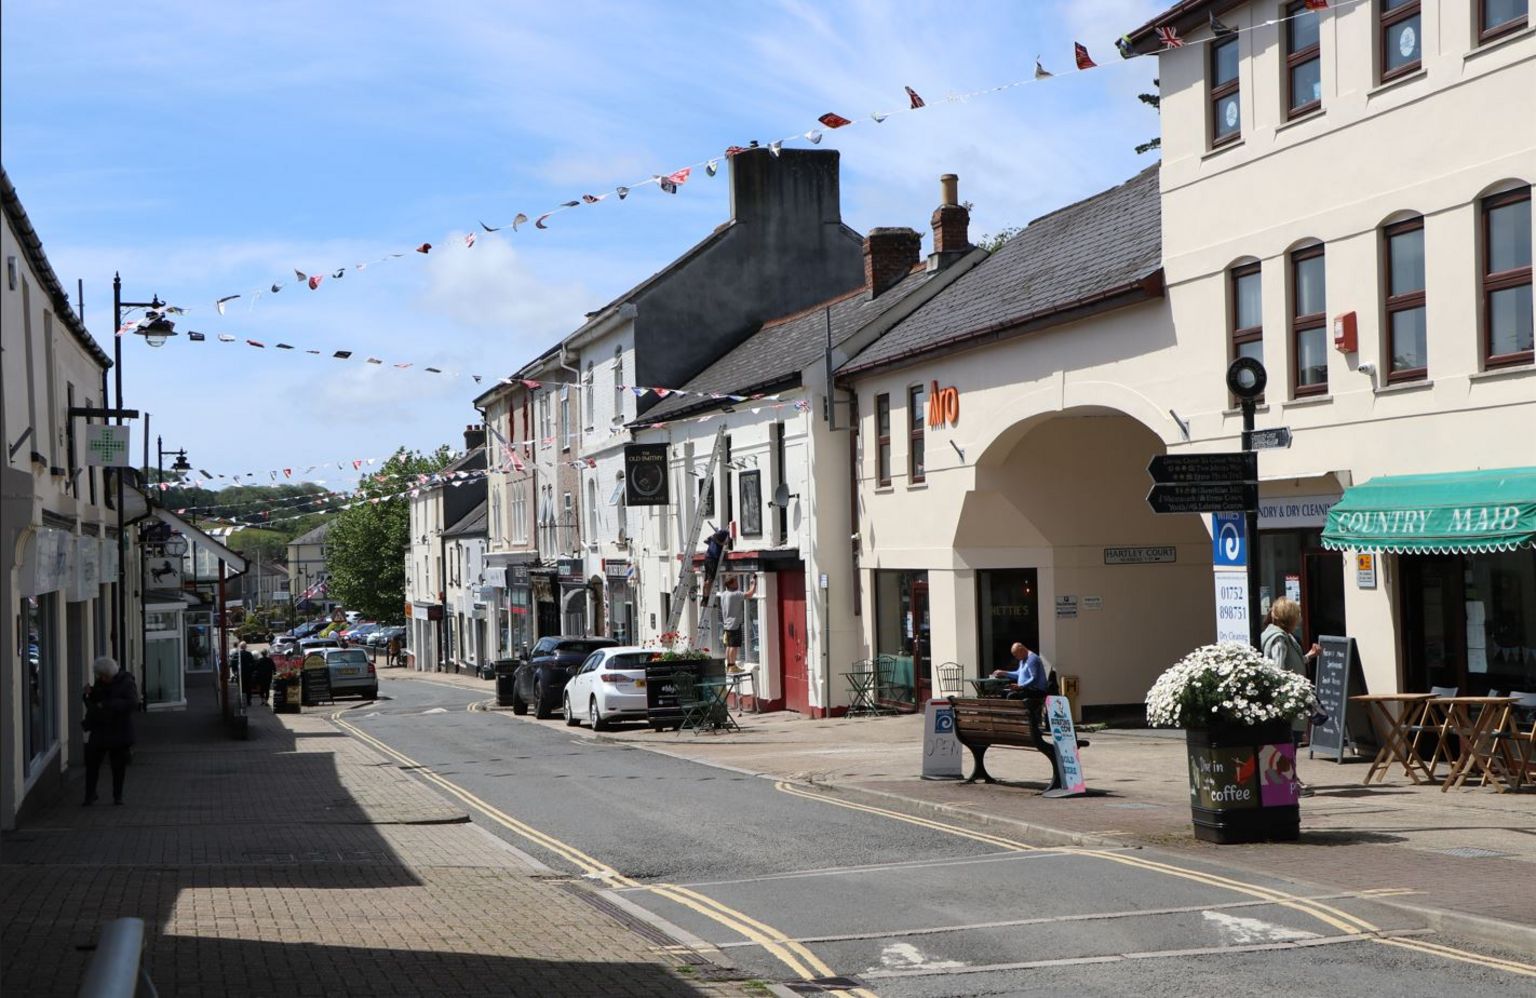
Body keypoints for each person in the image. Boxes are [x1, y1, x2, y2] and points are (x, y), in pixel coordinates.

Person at [1259, 597, 1319, 795]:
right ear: (1291, 618)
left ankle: (1290, 780)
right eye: (1298, 615)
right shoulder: (1278, 639)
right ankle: (1288, 784)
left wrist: (1309, 656)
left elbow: (1291, 663)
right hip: (1287, 700)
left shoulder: (1284, 636)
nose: (1300, 618)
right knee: (1288, 741)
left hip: (1289, 698)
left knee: (1289, 741)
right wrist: (1287, 693)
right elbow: (1278, 669)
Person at [82, 656, 137, 806]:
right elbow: (96, 700)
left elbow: (132, 702)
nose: (100, 679)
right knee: (92, 763)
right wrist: (89, 694)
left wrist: (107, 704)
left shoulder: (126, 682)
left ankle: (117, 796)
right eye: (99, 676)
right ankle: (90, 795)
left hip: (119, 729)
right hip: (101, 728)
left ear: (109, 674)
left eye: (102, 676)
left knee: (118, 766)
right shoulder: (101, 682)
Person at [715, 574, 757, 671]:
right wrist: (753, 584)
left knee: (729, 646)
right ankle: (732, 666)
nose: (738, 583)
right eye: (736, 582)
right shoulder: (735, 594)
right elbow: (750, 594)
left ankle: (729, 666)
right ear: (731, 584)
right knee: (733, 646)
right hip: (734, 624)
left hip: (727, 624)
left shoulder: (724, 594)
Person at [701, 528, 730, 601]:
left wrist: (712, 542)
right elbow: (715, 537)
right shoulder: (725, 531)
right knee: (710, 580)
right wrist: (722, 544)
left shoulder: (717, 535)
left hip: (707, 557)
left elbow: (706, 540)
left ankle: (705, 597)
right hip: (713, 558)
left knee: (707, 579)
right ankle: (706, 598)